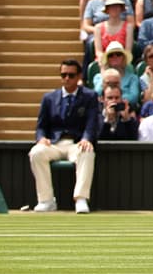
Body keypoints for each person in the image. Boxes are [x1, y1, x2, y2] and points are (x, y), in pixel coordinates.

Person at [29, 59, 101, 213]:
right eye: (63, 75)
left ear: (79, 76)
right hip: (54, 144)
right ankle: (46, 200)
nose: (67, 78)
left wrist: (86, 138)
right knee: (36, 152)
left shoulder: (90, 96)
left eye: (71, 75)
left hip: (76, 143)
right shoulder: (49, 98)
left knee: (87, 151)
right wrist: (41, 138)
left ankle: (81, 198)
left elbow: (92, 121)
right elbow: (41, 125)